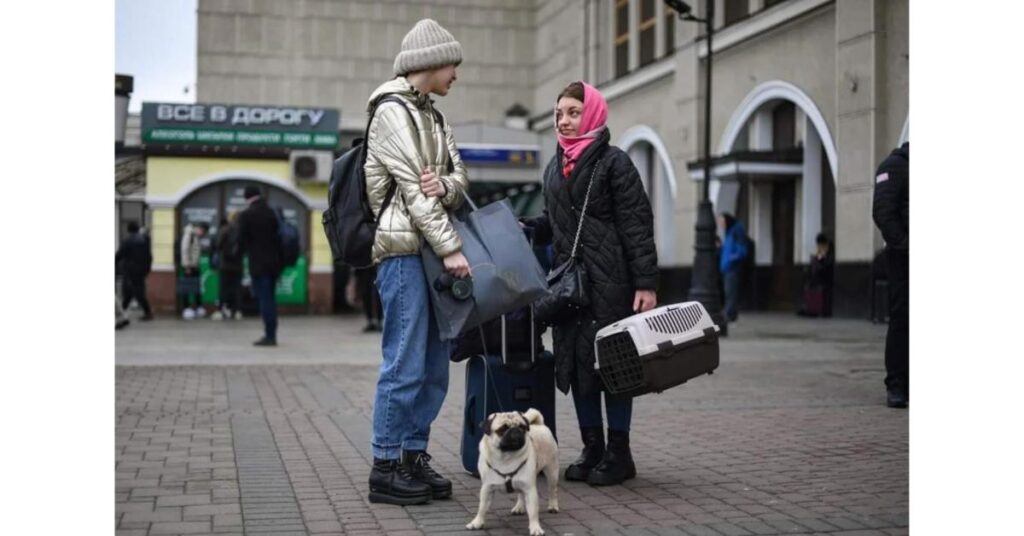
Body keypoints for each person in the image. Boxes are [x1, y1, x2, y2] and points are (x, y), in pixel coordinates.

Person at [522, 81, 658, 486]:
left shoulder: (614, 163)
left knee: (614, 366)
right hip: (570, 287)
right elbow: (556, 222)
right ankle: (592, 447)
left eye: (573, 113)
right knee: (577, 367)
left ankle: (620, 453)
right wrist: (529, 227)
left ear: (593, 114)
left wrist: (646, 283)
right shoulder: (554, 165)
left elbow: (637, 225)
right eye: (559, 113)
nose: (563, 121)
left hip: (611, 283)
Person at [363, 18, 470, 506]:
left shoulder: (436, 116)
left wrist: (445, 184)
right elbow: (413, 190)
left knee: (433, 366)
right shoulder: (391, 111)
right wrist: (451, 248)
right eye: (453, 64)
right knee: (404, 361)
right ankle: (385, 465)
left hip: (428, 250)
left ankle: (412, 456)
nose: (456, 74)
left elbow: (459, 179)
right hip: (404, 252)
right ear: (429, 62)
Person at [872, 141, 909, 408]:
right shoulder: (894, 166)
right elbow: (883, 212)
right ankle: (896, 385)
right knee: (902, 319)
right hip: (902, 258)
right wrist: (906, 244)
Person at [237, 186, 282, 346]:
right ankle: (272, 332)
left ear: (247, 197)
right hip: (274, 264)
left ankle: (270, 336)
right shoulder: (271, 212)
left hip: (258, 264)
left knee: (265, 299)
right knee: (270, 297)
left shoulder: (247, 214)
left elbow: (240, 240)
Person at [116, 221, 154, 321]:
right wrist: (147, 269)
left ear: (128, 230)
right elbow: (149, 256)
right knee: (132, 292)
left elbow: (120, 254)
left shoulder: (127, 241)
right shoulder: (144, 240)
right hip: (141, 271)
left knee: (136, 292)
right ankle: (121, 311)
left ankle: (147, 312)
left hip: (130, 270)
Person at [214, 213, 244, 320]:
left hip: (225, 264)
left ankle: (221, 310)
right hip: (238, 265)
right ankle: (237, 311)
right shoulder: (242, 231)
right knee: (237, 288)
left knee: (223, 288)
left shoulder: (225, 229)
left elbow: (218, 245)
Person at [719, 213, 748, 322]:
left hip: (732, 268)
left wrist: (732, 258)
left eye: (722, 221)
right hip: (726, 268)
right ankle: (730, 314)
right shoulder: (729, 233)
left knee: (731, 292)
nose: (721, 224)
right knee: (728, 292)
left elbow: (742, 250)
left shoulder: (735, 231)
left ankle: (729, 314)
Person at [798, 232, 835, 317]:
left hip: (826, 278)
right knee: (809, 285)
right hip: (818, 278)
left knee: (816, 287)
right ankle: (809, 307)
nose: (819, 247)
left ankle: (814, 308)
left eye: (821, 245)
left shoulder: (830, 253)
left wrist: (820, 257)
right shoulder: (821, 252)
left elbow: (825, 265)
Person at [179, 222, 208, 320]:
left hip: (195, 266)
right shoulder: (189, 235)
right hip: (189, 267)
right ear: (199, 228)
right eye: (203, 231)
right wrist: (187, 266)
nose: (202, 234)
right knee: (187, 288)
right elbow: (185, 250)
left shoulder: (194, 236)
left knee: (196, 287)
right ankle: (186, 308)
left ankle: (197, 308)